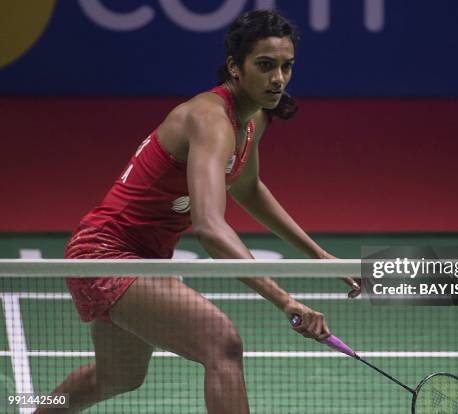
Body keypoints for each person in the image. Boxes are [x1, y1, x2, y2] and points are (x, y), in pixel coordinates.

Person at [35, 9, 360, 414]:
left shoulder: (252, 118)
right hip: (104, 254)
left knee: (117, 376)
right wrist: (284, 300)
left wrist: (320, 256)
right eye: (265, 65)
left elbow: (249, 188)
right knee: (221, 343)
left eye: (286, 66)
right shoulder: (210, 119)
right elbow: (209, 227)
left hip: (145, 259)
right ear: (234, 67)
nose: (278, 78)